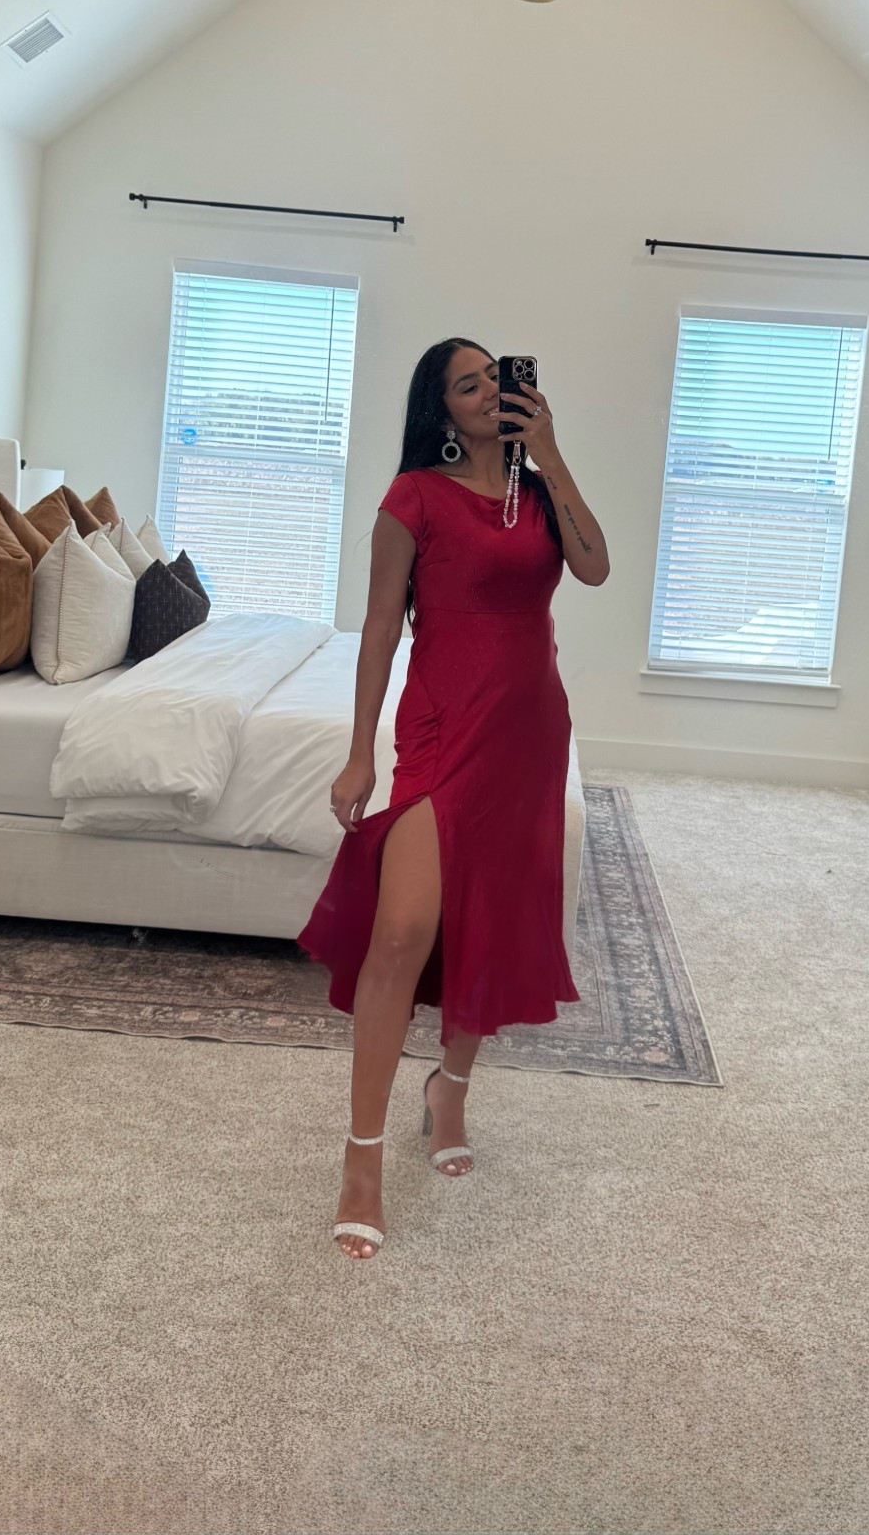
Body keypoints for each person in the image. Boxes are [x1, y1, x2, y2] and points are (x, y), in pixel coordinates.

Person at [296, 339, 610, 1258]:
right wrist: (360, 753)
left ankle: (451, 1092)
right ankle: (361, 1156)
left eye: (496, 380)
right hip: (443, 729)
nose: (487, 394)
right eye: (467, 384)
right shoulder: (414, 498)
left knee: (489, 921)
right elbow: (379, 630)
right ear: (440, 409)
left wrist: (550, 454)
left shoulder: (540, 493)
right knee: (401, 931)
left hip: (528, 733)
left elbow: (594, 568)